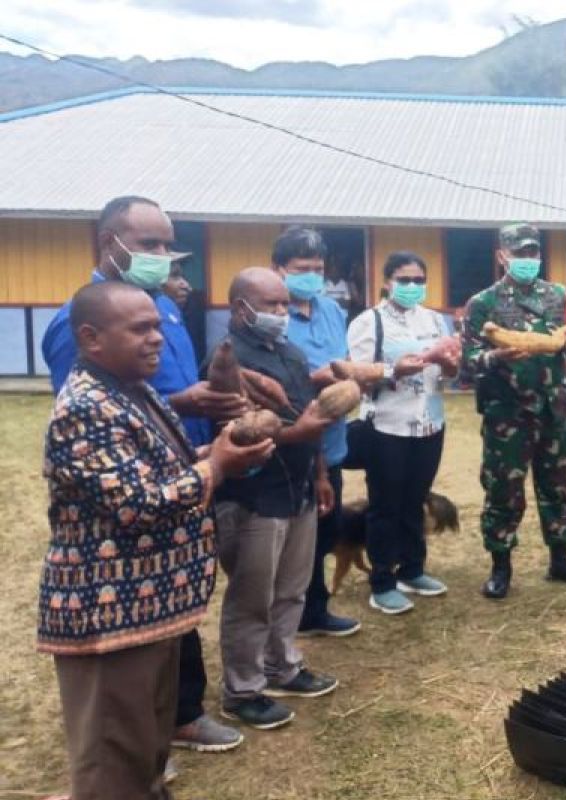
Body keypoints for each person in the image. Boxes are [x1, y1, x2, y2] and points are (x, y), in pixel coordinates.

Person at [39, 281, 272, 800]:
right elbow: (137, 504)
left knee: (144, 750)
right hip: (110, 617)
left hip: (149, 610)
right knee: (112, 762)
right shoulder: (86, 406)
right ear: (91, 338)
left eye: (157, 327)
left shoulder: (133, 390)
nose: (156, 339)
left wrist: (218, 452)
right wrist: (218, 466)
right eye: (139, 329)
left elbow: (163, 471)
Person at [211, 267, 339, 728]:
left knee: (291, 590)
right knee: (252, 597)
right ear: (240, 308)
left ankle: (282, 666)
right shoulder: (226, 361)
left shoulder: (290, 352)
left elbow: (314, 415)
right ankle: (242, 690)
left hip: (299, 487)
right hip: (253, 498)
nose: (283, 313)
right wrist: (295, 433)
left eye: (285, 304)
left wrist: (320, 473)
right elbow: (239, 431)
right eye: (272, 305)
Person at [462, 223, 566, 599]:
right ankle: (501, 567)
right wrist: (496, 355)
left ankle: (561, 559)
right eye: (519, 253)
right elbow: (468, 360)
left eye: (533, 253)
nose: (527, 259)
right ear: (502, 256)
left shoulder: (558, 296)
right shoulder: (483, 304)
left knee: (558, 486)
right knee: (504, 489)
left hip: (555, 408)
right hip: (508, 414)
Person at [348, 251, 457, 614]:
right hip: (387, 426)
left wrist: (450, 365)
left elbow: (449, 375)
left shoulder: (438, 322)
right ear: (387, 282)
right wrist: (395, 370)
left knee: (415, 499)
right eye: (404, 279)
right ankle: (382, 581)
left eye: (419, 280)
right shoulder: (370, 322)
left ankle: (413, 569)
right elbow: (359, 373)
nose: (412, 286)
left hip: (429, 424)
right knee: (385, 505)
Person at [271, 228, 362, 638]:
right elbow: (270, 380)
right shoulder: (270, 314)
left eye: (318, 269)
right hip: (292, 443)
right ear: (279, 270)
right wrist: (318, 378)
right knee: (291, 539)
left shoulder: (331, 310)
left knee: (326, 532)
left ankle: (315, 610)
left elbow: (343, 362)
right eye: (301, 269)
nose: (311, 276)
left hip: (333, 442)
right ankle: (288, 616)